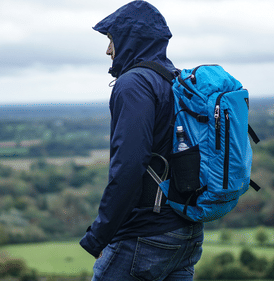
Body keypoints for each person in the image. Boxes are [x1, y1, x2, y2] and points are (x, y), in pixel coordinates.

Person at [79, 1, 204, 280]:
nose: (108, 50)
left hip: (146, 236)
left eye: (111, 39)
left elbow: (128, 166)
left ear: (129, 39)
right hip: (187, 233)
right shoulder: (176, 80)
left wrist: (99, 236)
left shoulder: (134, 84)